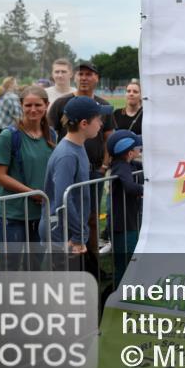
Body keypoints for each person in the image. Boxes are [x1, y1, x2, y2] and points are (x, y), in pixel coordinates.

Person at [47, 61, 117, 256]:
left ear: (97, 78)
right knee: (71, 215)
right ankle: (76, 257)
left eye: (89, 74)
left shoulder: (103, 106)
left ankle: (90, 261)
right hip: (70, 171)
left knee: (90, 216)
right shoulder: (61, 105)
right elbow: (63, 199)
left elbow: (109, 138)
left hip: (94, 171)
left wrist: (103, 167)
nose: (84, 78)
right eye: (81, 74)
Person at [43, 96, 112, 274]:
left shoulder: (78, 146)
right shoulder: (67, 155)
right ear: (84, 124)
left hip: (71, 229)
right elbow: (63, 200)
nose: (101, 124)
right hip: (61, 232)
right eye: (98, 119)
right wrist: (78, 235)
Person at [0, 86, 56, 271]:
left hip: (40, 215)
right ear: (21, 106)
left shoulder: (52, 135)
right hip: (13, 215)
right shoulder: (9, 135)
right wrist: (32, 193)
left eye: (38, 105)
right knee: (10, 268)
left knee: (35, 267)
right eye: (28, 105)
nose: (33, 109)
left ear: (46, 105)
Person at [107, 130, 143, 285]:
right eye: (137, 147)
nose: (140, 149)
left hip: (127, 223)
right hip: (123, 226)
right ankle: (118, 294)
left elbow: (141, 167)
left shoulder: (128, 164)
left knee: (129, 262)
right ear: (129, 153)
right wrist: (146, 189)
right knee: (125, 266)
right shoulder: (121, 167)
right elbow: (129, 187)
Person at [0, 77, 22, 141]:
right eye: (16, 83)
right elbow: (18, 118)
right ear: (10, 85)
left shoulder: (1, 95)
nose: (17, 85)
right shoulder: (13, 97)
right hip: (10, 133)